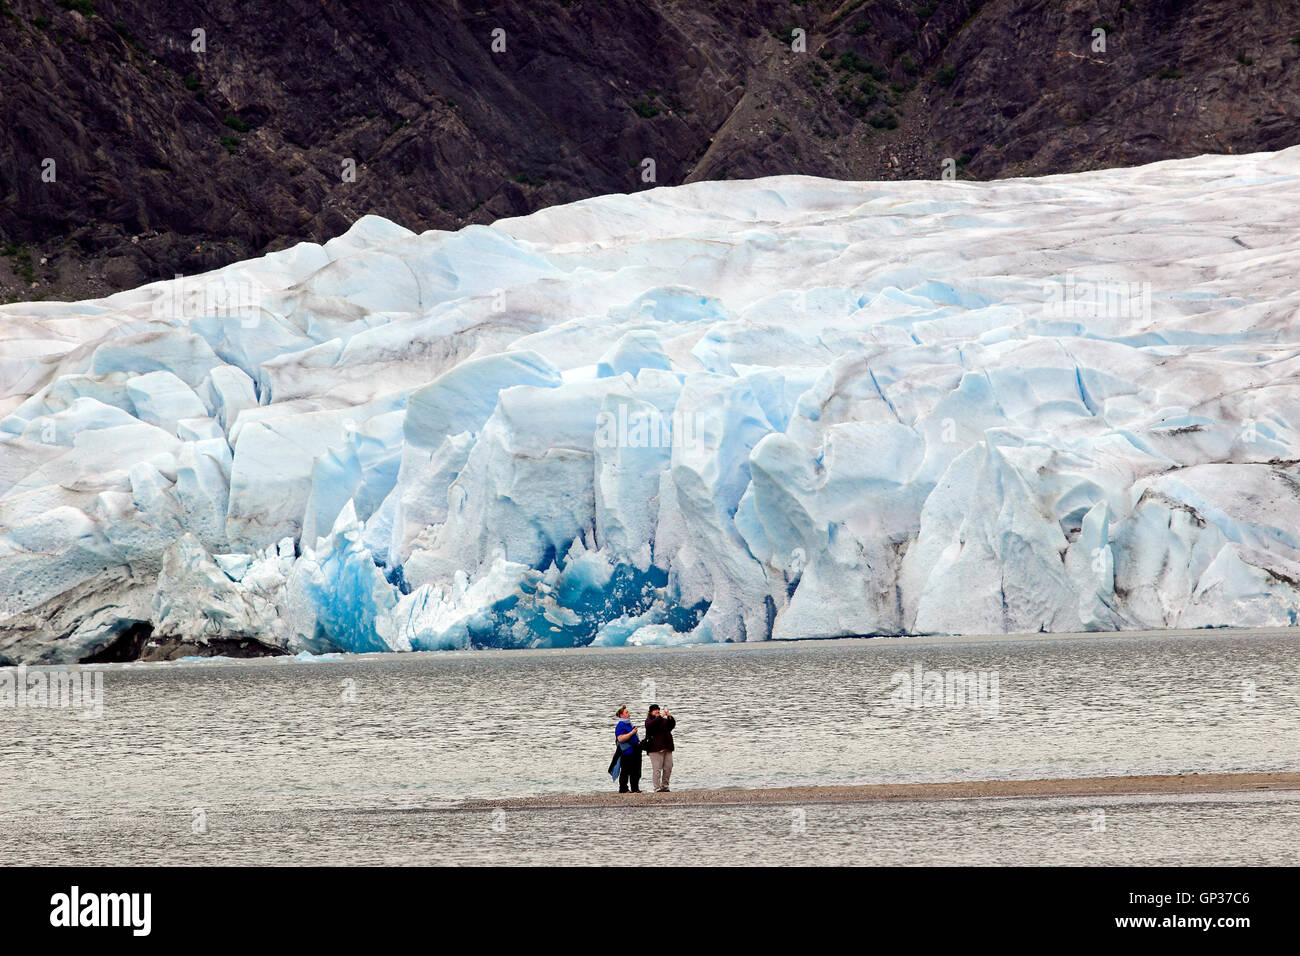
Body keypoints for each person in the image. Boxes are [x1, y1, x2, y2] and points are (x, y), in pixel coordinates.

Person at [643, 703, 676, 792]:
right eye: (655, 710)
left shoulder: (663, 720)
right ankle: (656, 788)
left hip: (667, 747)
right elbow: (652, 725)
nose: (657, 711)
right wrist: (660, 716)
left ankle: (665, 786)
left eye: (658, 709)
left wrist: (669, 717)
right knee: (657, 769)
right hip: (655, 749)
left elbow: (671, 725)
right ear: (650, 712)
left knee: (668, 767)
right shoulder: (648, 721)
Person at [613, 705, 642, 793]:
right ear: (621, 715)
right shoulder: (620, 725)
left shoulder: (629, 723)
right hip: (627, 751)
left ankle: (635, 788)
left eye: (628, 712)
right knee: (625, 770)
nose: (629, 714)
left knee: (636, 770)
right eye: (626, 712)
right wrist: (632, 733)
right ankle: (623, 788)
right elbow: (620, 739)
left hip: (635, 749)